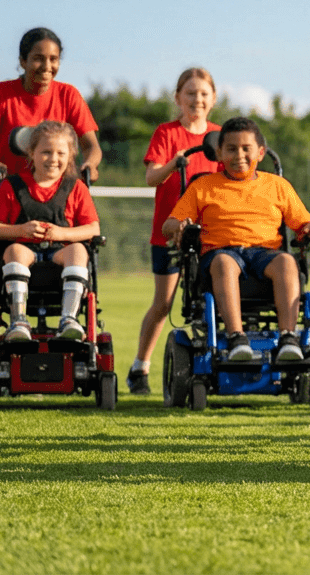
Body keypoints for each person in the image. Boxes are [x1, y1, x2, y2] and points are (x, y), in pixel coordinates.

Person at [163, 117, 310, 364]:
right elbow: (168, 226)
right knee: (224, 264)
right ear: (219, 153)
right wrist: (180, 225)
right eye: (231, 149)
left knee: (287, 262)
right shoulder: (203, 186)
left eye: (246, 149)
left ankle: (288, 338)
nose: (239, 155)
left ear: (260, 153)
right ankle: (237, 337)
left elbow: (303, 223)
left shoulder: (277, 185)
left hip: (265, 253)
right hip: (220, 253)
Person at [128, 68, 220, 394]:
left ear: (213, 99)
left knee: (210, 299)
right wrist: (174, 163)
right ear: (178, 98)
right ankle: (140, 366)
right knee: (164, 303)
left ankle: (213, 365)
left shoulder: (220, 137)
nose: (197, 99)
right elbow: (152, 178)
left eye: (203, 94)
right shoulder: (167, 134)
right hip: (169, 232)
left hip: (209, 235)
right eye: (191, 93)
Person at [0, 121, 101, 342]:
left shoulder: (76, 187)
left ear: (70, 155)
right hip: (24, 252)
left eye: (60, 153)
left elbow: (93, 229)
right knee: (15, 250)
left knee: (79, 251)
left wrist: (61, 234)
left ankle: (69, 319)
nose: (53, 159)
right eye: (46, 152)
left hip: (60, 254)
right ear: (31, 153)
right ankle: (19, 320)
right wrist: (22, 230)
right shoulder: (12, 186)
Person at [0, 28, 101, 198]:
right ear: (23, 61)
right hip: (9, 197)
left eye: (53, 59)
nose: (47, 66)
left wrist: (90, 164)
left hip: (57, 199)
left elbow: (91, 146)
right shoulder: (1, 93)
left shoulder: (69, 95)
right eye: (38, 59)